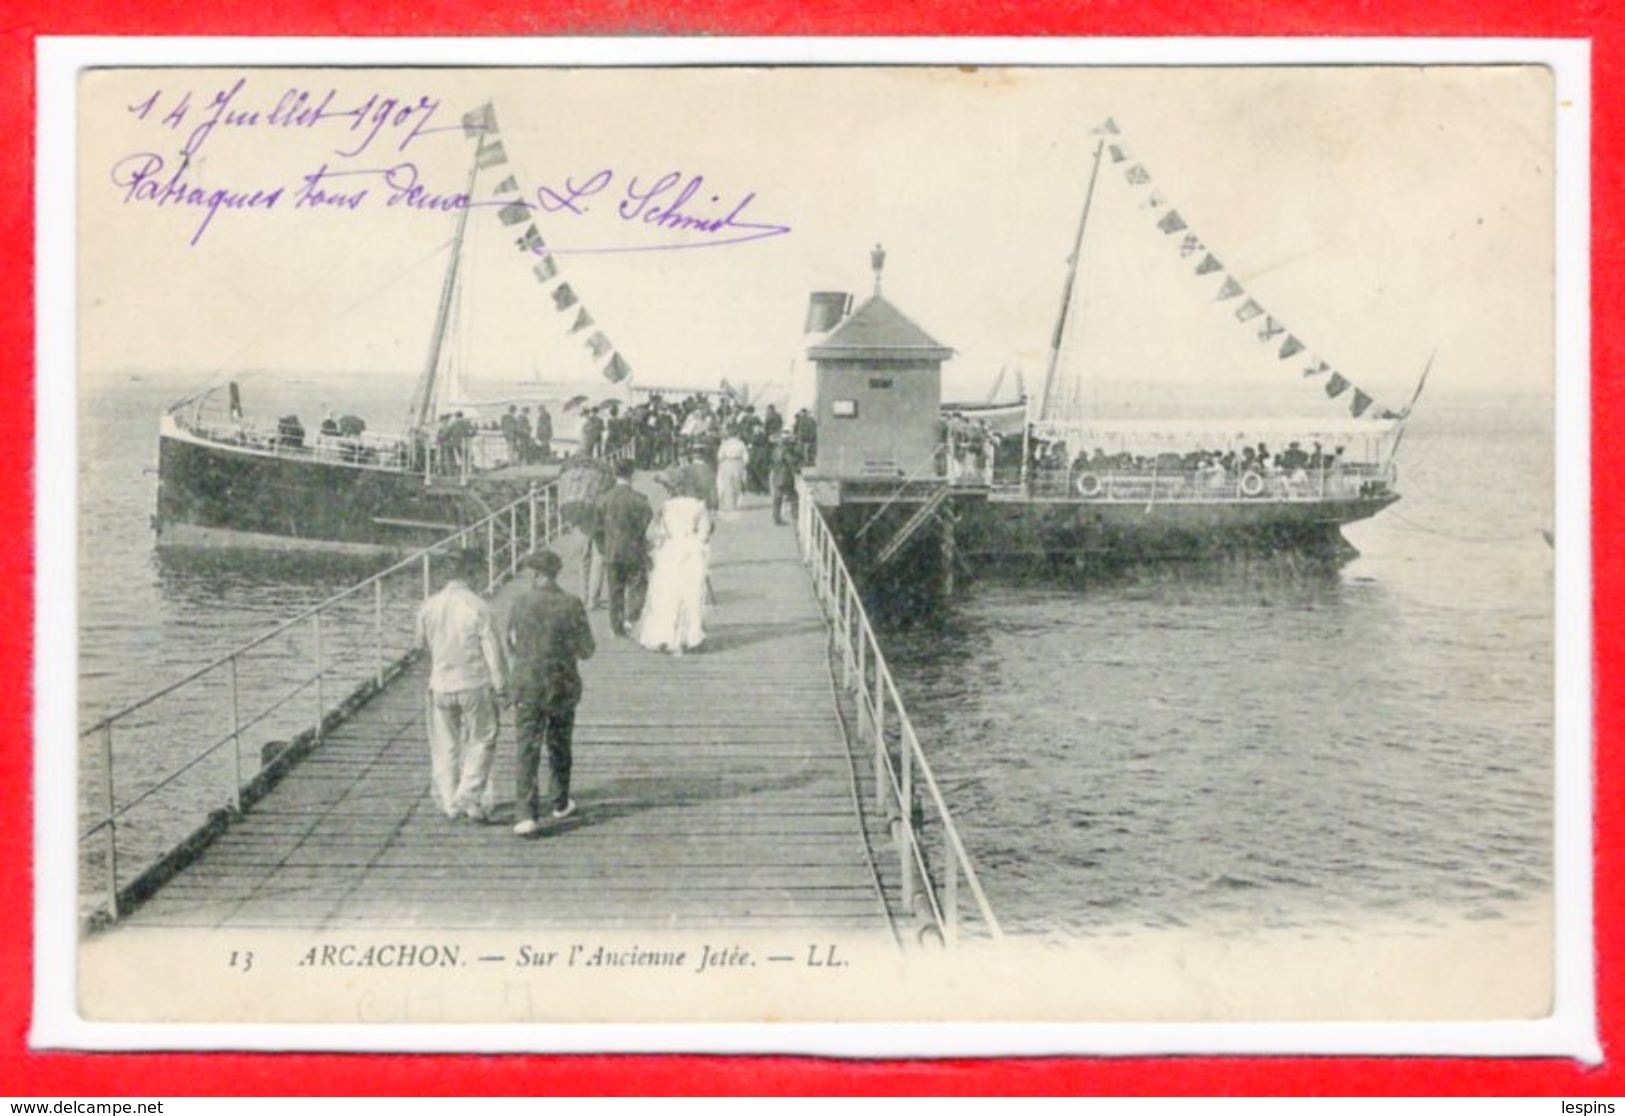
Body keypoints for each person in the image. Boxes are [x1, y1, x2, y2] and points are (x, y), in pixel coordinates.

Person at [505, 550, 595, 836]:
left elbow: (511, 643)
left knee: (527, 747)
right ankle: (559, 801)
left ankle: (525, 814)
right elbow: (587, 650)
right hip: (561, 684)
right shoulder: (572, 604)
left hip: (527, 683)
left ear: (538, 574)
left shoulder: (519, 604)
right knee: (559, 744)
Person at [414, 549, 508, 821]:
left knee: (445, 744)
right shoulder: (479, 607)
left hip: (440, 685)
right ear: (471, 572)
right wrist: (502, 685)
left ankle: (448, 801)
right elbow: (494, 652)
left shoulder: (429, 605)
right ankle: (468, 794)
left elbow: (419, 646)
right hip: (474, 683)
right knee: (482, 739)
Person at [638, 487, 713, 655]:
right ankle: (691, 636)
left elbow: (656, 533)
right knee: (691, 595)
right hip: (691, 551)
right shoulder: (699, 506)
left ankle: (664, 636)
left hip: (670, 551)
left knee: (667, 594)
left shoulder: (665, 506)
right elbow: (705, 532)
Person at [593, 457, 653, 637]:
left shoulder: (604, 500)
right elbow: (648, 526)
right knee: (638, 585)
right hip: (634, 550)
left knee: (615, 591)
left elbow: (596, 529)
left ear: (614, 474)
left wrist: (603, 548)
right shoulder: (640, 500)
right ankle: (632, 618)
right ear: (632, 475)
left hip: (612, 551)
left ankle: (616, 627)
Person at [770, 433, 802, 525]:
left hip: (776, 476)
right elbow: (791, 462)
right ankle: (795, 516)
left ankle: (776, 517)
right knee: (794, 497)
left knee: (777, 498)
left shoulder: (775, 450)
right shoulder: (785, 452)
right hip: (785, 477)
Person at [715, 428, 747, 516]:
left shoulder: (725, 443)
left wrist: (720, 463)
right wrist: (744, 464)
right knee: (737, 483)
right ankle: (736, 503)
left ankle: (728, 504)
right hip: (738, 462)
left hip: (727, 462)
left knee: (727, 483)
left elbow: (720, 455)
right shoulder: (741, 443)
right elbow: (745, 456)